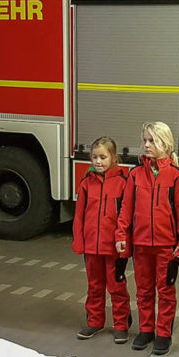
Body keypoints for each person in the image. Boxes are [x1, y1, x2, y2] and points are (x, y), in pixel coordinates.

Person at [115, 122, 179, 355]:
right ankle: (146, 329)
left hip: (166, 246)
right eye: (145, 140)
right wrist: (121, 235)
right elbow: (126, 208)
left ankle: (164, 333)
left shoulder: (176, 176)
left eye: (152, 141)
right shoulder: (135, 174)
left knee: (166, 291)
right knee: (144, 290)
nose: (146, 145)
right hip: (141, 245)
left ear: (165, 144)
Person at [72, 137, 131, 344]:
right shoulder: (87, 183)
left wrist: (125, 245)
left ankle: (121, 324)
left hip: (113, 248)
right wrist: (79, 242)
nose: (98, 161)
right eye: (95, 157)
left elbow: (126, 216)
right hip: (91, 247)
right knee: (94, 287)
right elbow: (79, 216)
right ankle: (95, 322)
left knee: (116, 287)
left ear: (114, 158)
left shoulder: (123, 184)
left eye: (103, 157)